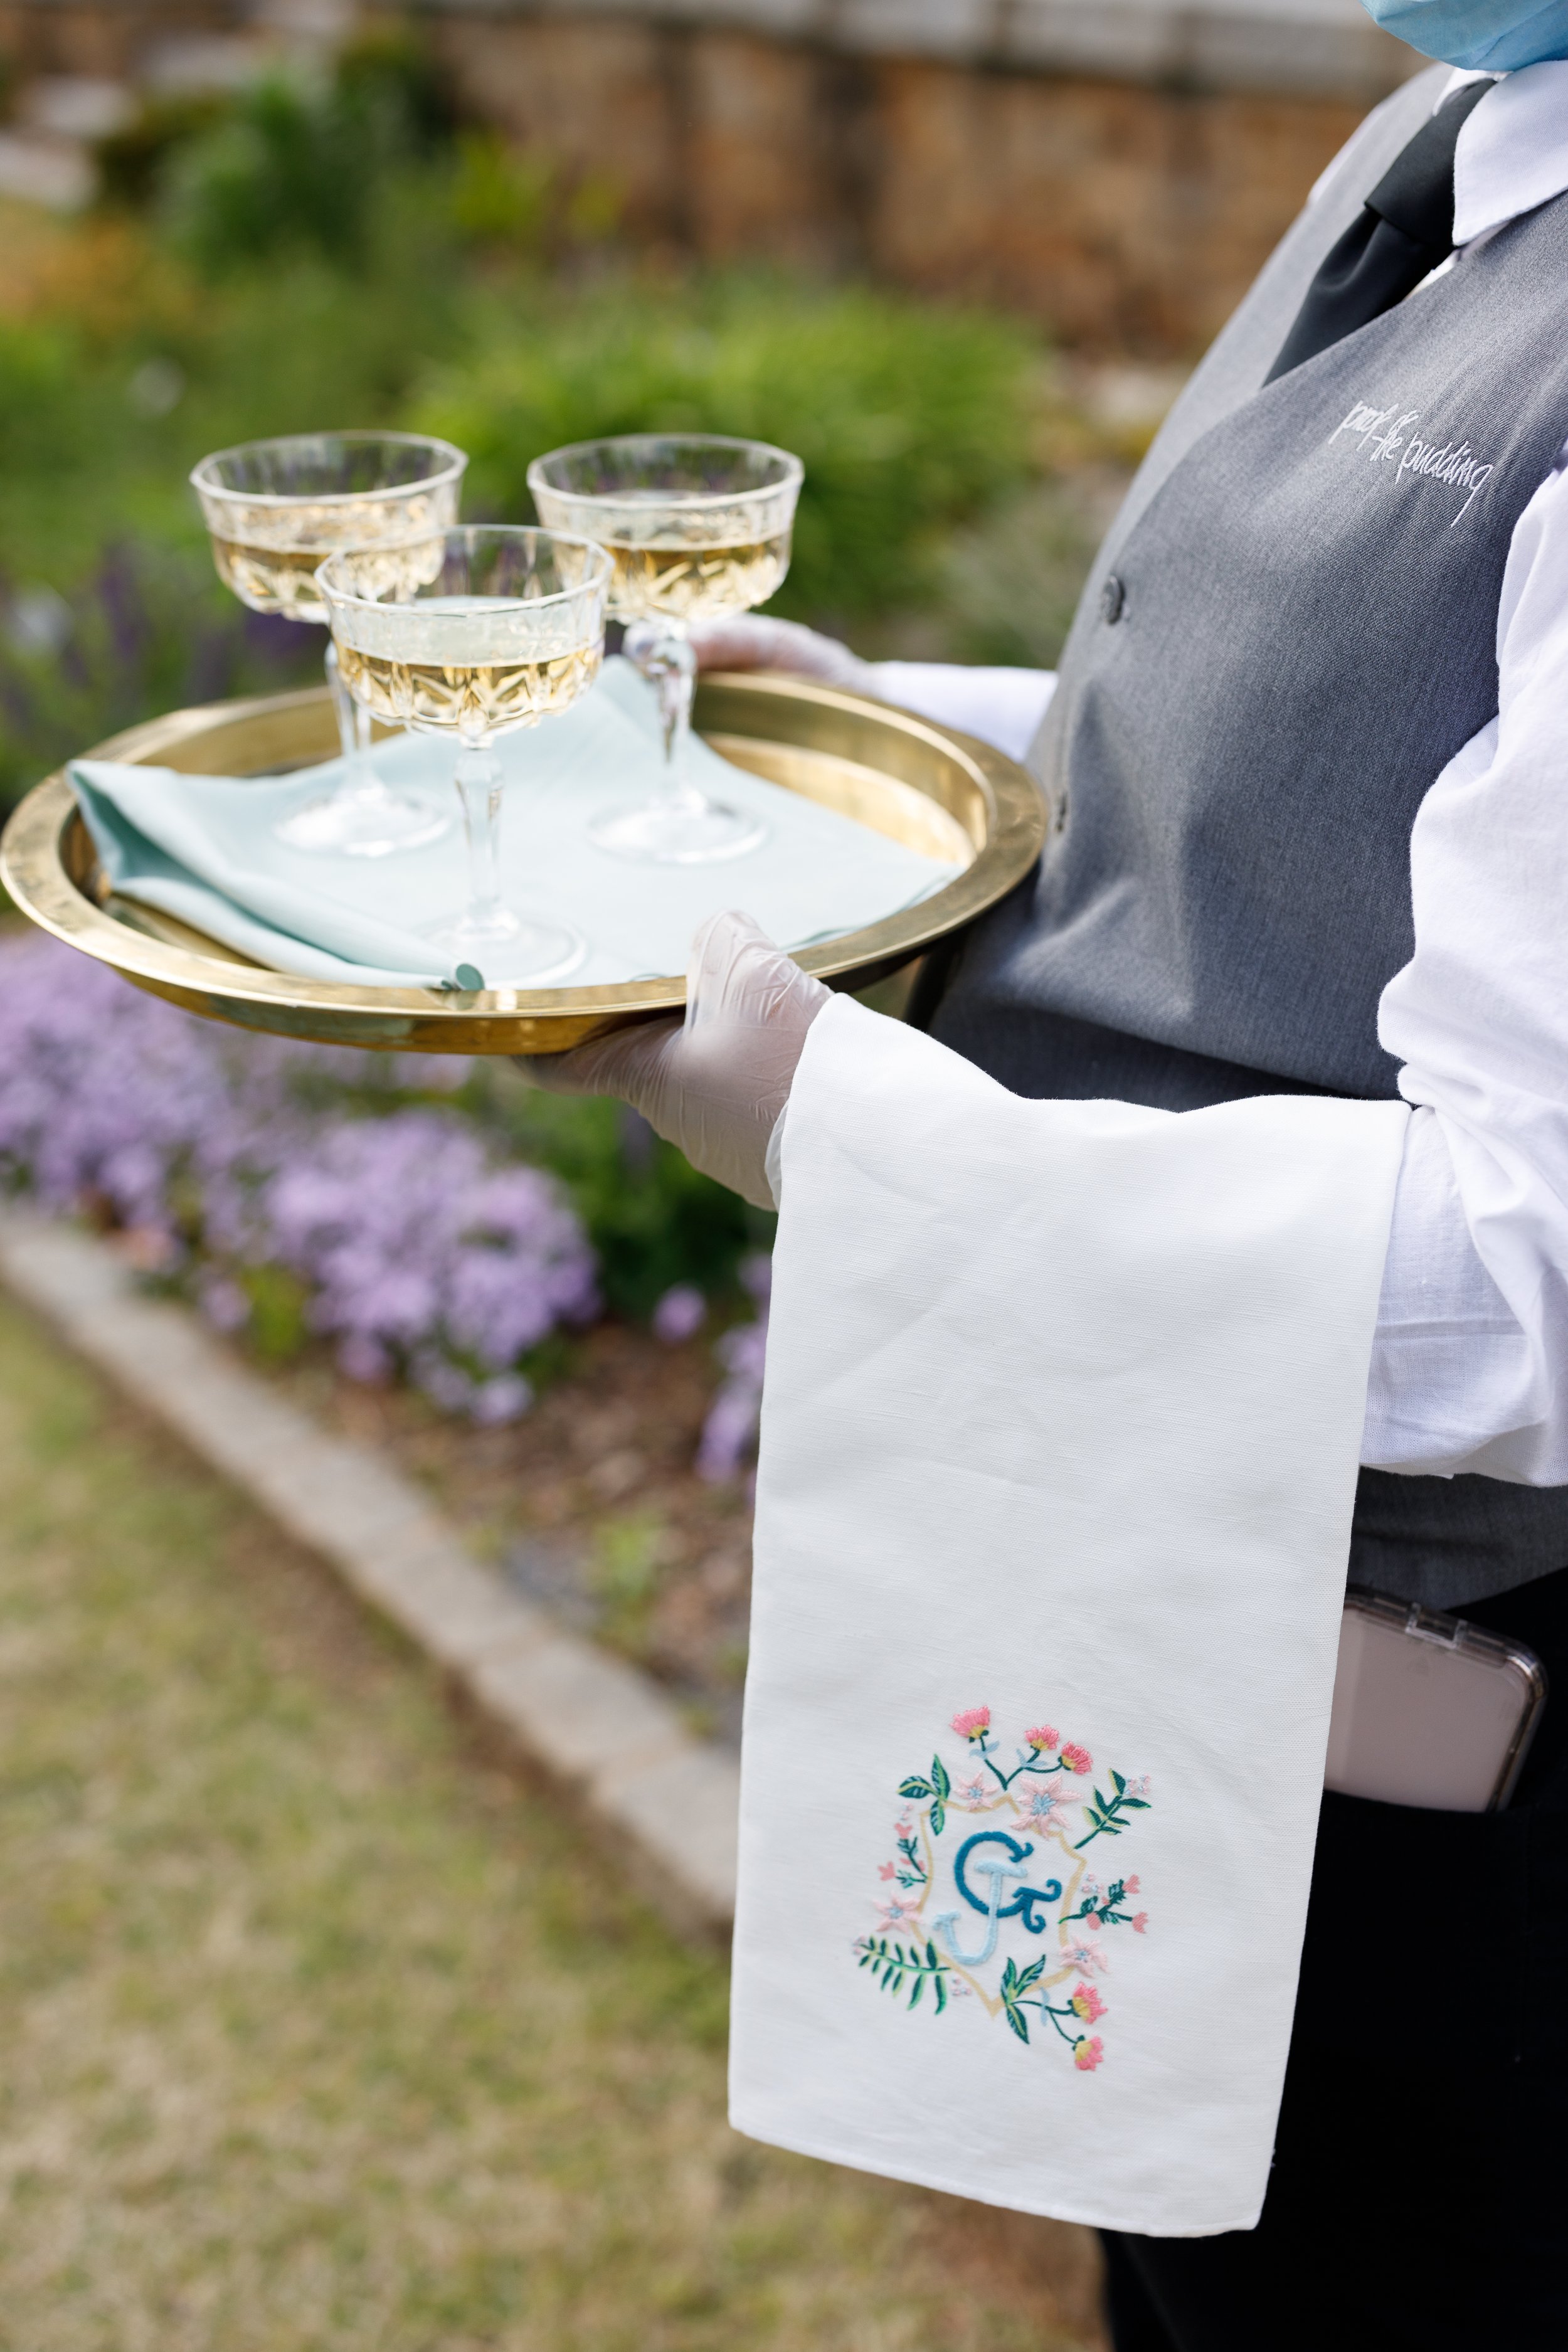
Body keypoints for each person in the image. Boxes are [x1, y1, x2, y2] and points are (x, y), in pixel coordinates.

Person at [529, 24, 1568, 2348]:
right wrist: (881, 734)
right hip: (1170, 1615)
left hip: (1428, 1780)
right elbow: (1329, 756)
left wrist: (836, 1132)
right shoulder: (1455, 134)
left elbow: (1536, 1287)